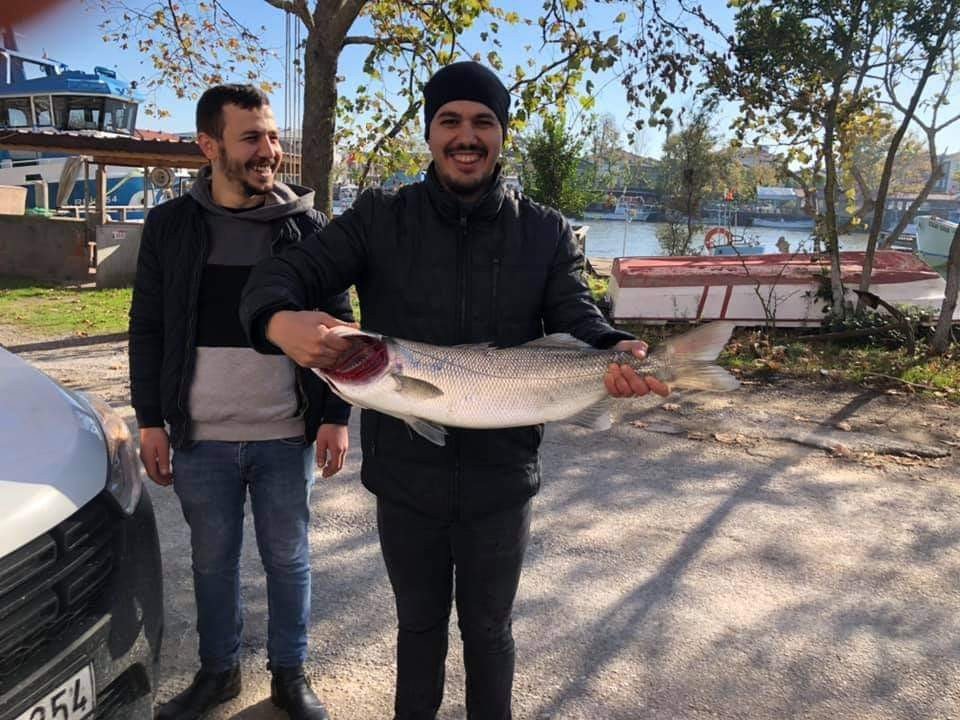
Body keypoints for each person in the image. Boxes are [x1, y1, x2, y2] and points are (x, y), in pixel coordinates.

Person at [239, 62, 669, 720]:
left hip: (502, 483)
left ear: (502, 135)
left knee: (490, 633)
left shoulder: (546, 231)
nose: (465, 136)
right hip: (405, 482)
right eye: (450, 121)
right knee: (418, 632)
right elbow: (281, 274)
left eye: (482, 122)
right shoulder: (378, 218)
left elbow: (577, 318)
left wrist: (613, 350)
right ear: (429, 133)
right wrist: (276, 320)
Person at [129, 84, 351, 720]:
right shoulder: (171, 226)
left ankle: (290, 676)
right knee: (212, 564)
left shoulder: (307, 228)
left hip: (287, 434)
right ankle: (218, 673)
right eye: (251, 137)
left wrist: (336, 414)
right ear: (209, 145)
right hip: (201, 437)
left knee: (289, 561)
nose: (269, 150)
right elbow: (147, 327)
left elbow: (339, 321)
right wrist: (150, 420)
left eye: (273, 136)